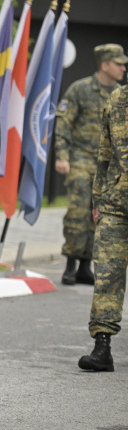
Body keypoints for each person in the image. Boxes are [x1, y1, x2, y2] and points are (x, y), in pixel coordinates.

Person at [55, 44, 126, 285]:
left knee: (100, 217)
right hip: (81, 160)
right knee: (77, 212)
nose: (123, 68)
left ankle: (86, 267)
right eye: (118, 63)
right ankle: (70, 264)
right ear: (104, 65)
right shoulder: (80, 89)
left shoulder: (122, 95)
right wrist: (62, 156)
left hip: (109, 168)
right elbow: (64, 123)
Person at [78, 85, 128, 372]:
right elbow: (105, 148)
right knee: (107, 272)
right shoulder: (118, 98)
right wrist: (98, 196)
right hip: (116, 201)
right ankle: (102, 345)